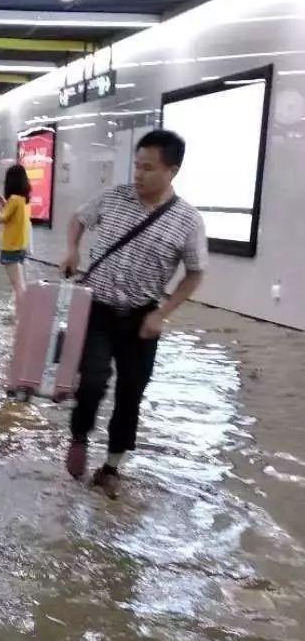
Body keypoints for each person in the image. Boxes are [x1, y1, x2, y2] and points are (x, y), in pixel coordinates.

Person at [62, 129, 206, 498]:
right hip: (98, 306)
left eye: (148, 168)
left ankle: (111, 467)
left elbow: (195, 273)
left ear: (171, 171)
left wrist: (164, 313)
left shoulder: (188, 221)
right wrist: (72, 250)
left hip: (142, 317)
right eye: (137, 166)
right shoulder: (114, 198)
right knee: (92, 381)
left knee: (131, 394)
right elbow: (78, 218)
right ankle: (79, 436)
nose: (138, 175)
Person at [0, 163, 31, 310]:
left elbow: (1, 218)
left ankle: (22, 317)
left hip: (11, 248)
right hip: (20, 247)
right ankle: (17, 315)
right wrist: (2, 201)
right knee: (19, 284)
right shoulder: (21, 200)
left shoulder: (14, 199)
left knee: (17, 286)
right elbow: (11, 215)